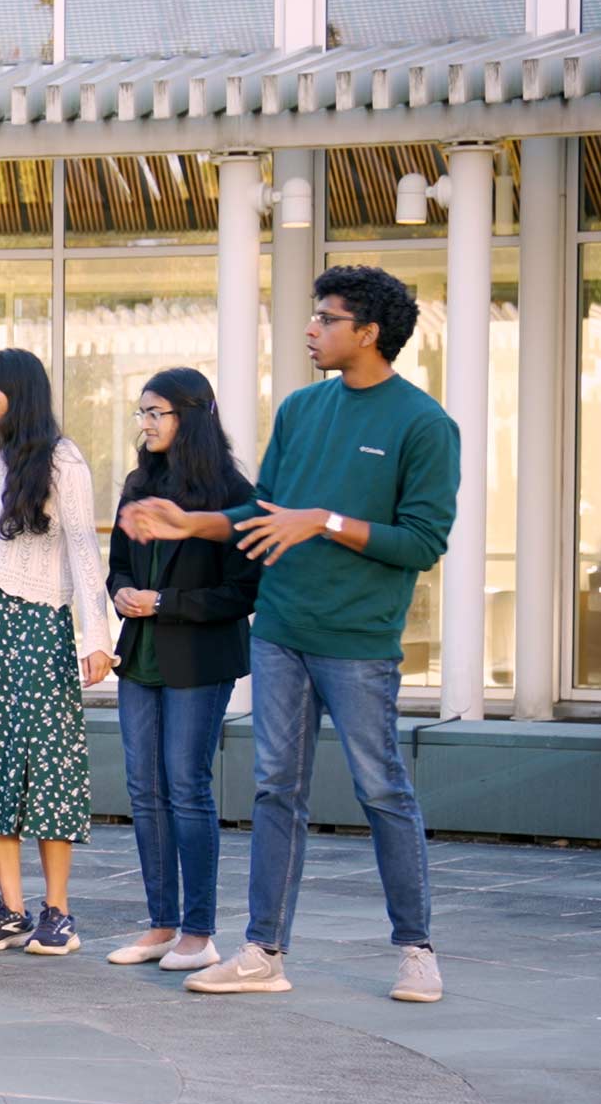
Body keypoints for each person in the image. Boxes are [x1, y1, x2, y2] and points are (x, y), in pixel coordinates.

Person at [122, 265, 455, 1004]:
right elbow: (262, 514)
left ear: (367, 333)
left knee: (382, 790)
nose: (311, 328)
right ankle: (263, 951)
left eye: (326, 318)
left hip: (360, 640)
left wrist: (326, 521)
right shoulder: (302, 410)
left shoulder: (424, 424)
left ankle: (416, 950)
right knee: (276, 788)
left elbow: (424, 542)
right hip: (279, 630)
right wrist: (192, 521)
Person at [0, 349, 113, 957]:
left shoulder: (63, 461)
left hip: (40, 627)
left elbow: (85, 552)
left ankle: (57, 912)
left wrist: (97, 637)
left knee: (47, 766)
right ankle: (10, 908)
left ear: (22, 391)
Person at [103, 368, 258, 975]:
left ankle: (199, 933)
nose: (145, 424)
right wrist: (122, 593)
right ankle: (161, 924)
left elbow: (242, 592)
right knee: (145, 789)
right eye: (141, 413)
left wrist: (165, 602)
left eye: (156, 413)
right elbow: (117, 564)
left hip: (200, 658)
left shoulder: (231, 490)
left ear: (191, 415)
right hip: (140, 654)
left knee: (185, 786)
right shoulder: (140, 483)